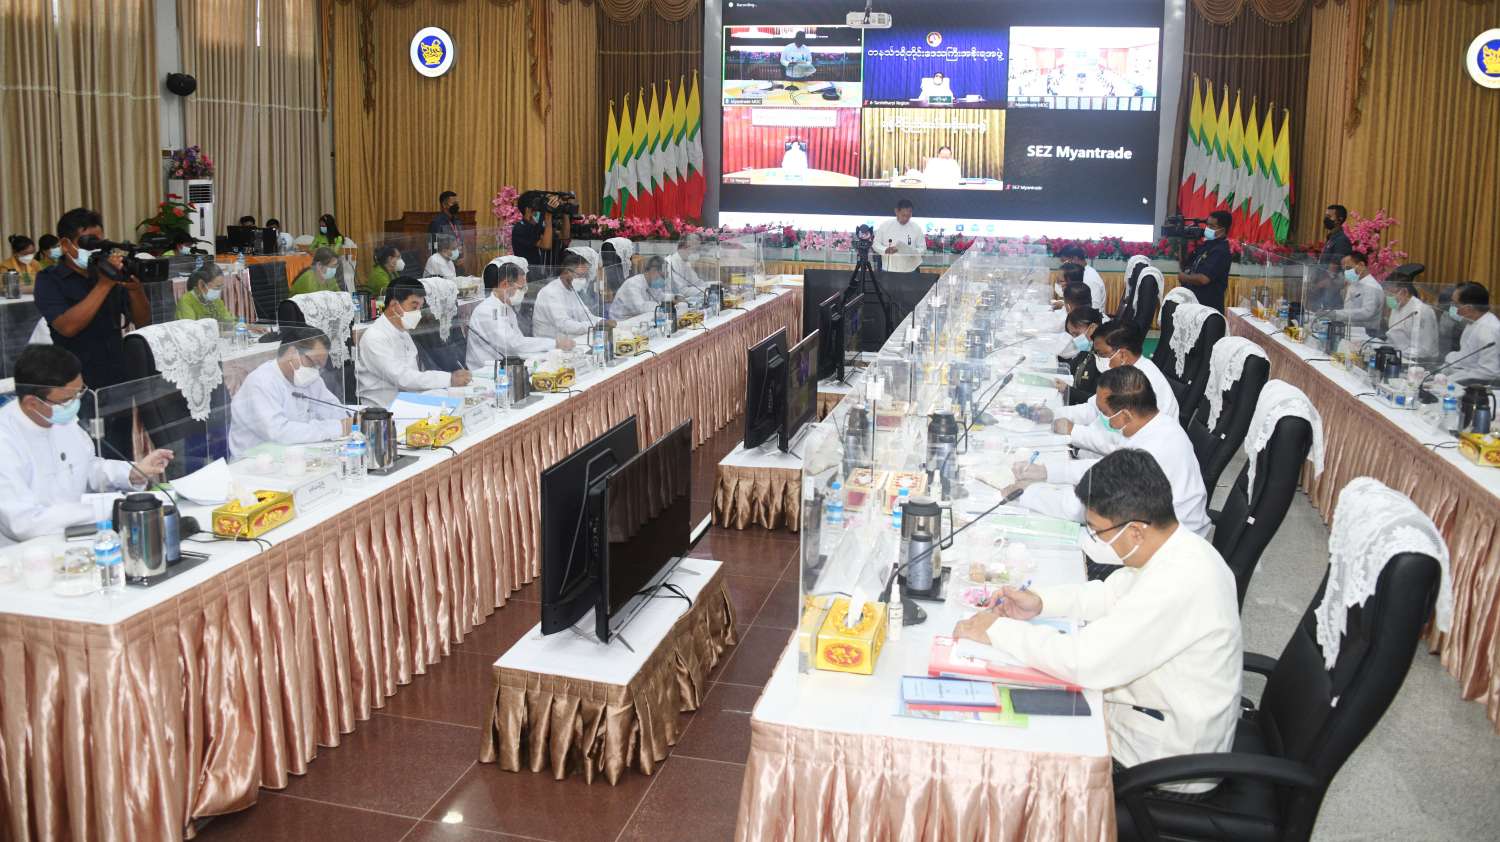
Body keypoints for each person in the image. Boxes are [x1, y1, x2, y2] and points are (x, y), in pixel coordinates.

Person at [953, 448, 1241, 789]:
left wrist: (998, 631)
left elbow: (1085, 661)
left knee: (1007, 759)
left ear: (1135, 531)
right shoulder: (1174, 548)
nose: (1099, 540)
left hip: (1165, 761)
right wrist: (1040, 602)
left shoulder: (1180, 580)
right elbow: (1108, 595)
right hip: (1152, 718)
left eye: (1099, 531)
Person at [0, 345, 173, 547]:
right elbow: (23, 523)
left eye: (79, 393)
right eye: (67, 400)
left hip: (80, 537)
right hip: (26, 552)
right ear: (32, 403)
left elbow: (87, 466)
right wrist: (104, 509)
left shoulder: (59, 418)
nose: (75, 404)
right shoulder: (6, 441)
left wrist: (132, 472)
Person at [1012, 365, 1210, 537]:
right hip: (1153, 521)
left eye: (1105, 413)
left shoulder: (1152, 449)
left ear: (1125, 415)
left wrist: (1028, 493)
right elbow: (1106, 469)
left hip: (1167, 541)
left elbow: (1089, 507)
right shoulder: (1154, 424)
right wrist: (1047, 472)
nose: (1102, 419)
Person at [34, 207, 152, 401]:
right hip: (74, 378)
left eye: (99, 242)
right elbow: (67, 327)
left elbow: (143, 322)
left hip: (117, 372)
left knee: (120, 420)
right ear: (66, 244)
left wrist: (135, 290)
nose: (95, 249)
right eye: (89, 242)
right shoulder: (49, 279)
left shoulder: (108, 272)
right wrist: (104, 285)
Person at [1018, 320, 1180, 440]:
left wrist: (1072, 430)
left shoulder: (1139, 383)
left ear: (1122, 355)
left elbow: (1119, 441)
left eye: (1101, 354)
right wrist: (1053, 414)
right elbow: (1093, 409)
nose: (1098, 360)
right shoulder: (1124, 373)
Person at [228, 328, 352, 457]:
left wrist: (351, 420)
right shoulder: (261, 382)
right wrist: (337, 428)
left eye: (319, 367)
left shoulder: (310, 378)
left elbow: (334, 410)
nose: (315, 371)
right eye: (313, 363)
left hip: (294, 454)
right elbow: (279, 432)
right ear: (292, 353)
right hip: (254, 461)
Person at [355, 278, 471, 406]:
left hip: (408, 400)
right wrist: (449, 379)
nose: (418, 313)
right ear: (394, 305)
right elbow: (402, 378)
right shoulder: (374, 337)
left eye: (420, 308)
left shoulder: (403, 331)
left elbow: (414, 373)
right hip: (384, 409)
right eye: (414, 306)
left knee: (461, 400)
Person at [467, 259, 568, 368]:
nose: (523, 293)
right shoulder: (487, 311)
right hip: (485, 370)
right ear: (505, 284)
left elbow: (518, 343)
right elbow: (514, 344)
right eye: (520, 288)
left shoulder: (506, 307)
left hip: (507, 363)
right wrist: (553, 343)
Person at [533, 251, 609, 340]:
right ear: (566, 272)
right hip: (551, 342)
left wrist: (603, 321)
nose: (583, 279)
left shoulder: (571, 288)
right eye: (580, 275)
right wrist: (596, 324)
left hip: (569, 338)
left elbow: (585, 315)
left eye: (585, 275)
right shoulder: (551, 292)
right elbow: (564, 325)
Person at [1444, 282, 1500, 382]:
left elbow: (1488, 372)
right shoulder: (1472, 321)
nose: (1451, 307)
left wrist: (1451, 378)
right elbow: (1466, 356)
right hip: (1465, 375)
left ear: (1468, 309)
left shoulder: (1488, 330)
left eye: (1455, 304)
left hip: (1481, 385)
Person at [1176, 209, 1231, 312]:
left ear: (1222, 230)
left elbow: (1203, 279)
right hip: (1194, 305)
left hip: (1207, 309)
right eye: (1207, 225)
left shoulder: (1220, 251)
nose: (1207, 229)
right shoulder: (1207, 245)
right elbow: (1184, 265)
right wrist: (1182, 242)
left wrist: (1184, 277)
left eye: (1212, 226)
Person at [511, 193, 571, 274]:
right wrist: (548, 216)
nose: (540, 211)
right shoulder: (520, 228)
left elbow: (564, 236)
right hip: (529, 274)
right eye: (538, 208)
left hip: (542, 273)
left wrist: (565, 212)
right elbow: (546, 245)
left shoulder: (536, 226)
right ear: (528, 209)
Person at [1384, 278, 1439, 361]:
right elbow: (1393, 335)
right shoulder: (1396, 306)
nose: (1388, 297)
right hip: (1399, 355)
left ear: (1405, 292)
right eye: (1387, 293)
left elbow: (1424, 349)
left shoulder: (1422, 311)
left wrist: (1397, 353)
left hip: (1420, 360)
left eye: (1391, 293)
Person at [1327, 251, 1382, 331]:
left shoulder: (1372, 286)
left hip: (1366, 333)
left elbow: (1367, 313)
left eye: (1348, 268)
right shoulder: (1354, 283)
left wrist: (1337, 314)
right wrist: (1329, 312)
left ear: (1361, 265)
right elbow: (1348, 308)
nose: (1346, 272)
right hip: (1350, 330)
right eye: (1344, 269)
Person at [1060, 307, 1104, 404]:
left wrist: (1068, 390)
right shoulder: (1087, 350)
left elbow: (1100, 401)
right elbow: (1070, 367)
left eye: (1076, 334)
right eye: (1072, 335)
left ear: (1092, 328)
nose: (1074, 339)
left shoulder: (1104, 358)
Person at [612, 256, 673, 320]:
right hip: (621, 322)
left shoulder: (651, 284)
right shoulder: (633, 284)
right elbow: (640, 308)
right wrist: (661, 307)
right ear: (653, 270)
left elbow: (661, 297)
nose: (664, 281)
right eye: (663, 277)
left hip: (637, 319)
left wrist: (675, 297)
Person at [874, 198, 923, 273]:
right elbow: (875, 244)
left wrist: (913, 252)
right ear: (896, 211)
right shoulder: (885, 226)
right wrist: (885, 250)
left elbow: (922, 248)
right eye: (903, 215)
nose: (906, 218)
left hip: (910, 270)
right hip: (889, 269)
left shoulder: (916, 228)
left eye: (908, 216)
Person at [1057, 244, 1107, 312]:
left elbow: (1094, 308)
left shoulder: (1089, 278)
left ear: (1075, 259)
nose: (1064, 266)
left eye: (1066, 262)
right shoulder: (1080, 273)